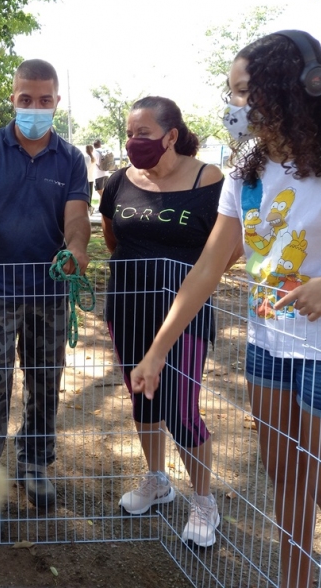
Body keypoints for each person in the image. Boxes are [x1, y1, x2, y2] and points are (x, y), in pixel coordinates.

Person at [129, 31, 321, 586]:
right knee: (286, 477)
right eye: (231, 93)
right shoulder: (246, 166)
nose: (235, 106)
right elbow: (207, 268)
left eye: (245, 91)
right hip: (269, 347)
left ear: (298, 88)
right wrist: (156, 352)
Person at [0, 59, 91, 518]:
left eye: (44, 100)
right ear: (13, 99)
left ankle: (34, 463)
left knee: (45, 381)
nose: (35, 108)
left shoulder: (70, 158)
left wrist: (75, 247)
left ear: (56, 102)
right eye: (26, 99)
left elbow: (76, 216)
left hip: (49, 292)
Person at [100, 96, 225, 548]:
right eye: (130, 134)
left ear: (171, 136)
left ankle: (204, 501)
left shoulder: (208, 179)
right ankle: (157, 480)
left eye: (144, 134)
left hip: (186, 313)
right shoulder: (118, 181)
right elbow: (113, 235)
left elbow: (225, 248)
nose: (134, 142)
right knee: (143, 399)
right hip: (128, 305)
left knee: (180, 407)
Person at [84, 144, 96, 215]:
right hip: (91, 178)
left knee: (86, 194)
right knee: (90, 194)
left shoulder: (86, 158)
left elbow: (85, 168)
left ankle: (88, 208)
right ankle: (89, 207)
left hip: (86, 178)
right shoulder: (93, 158)